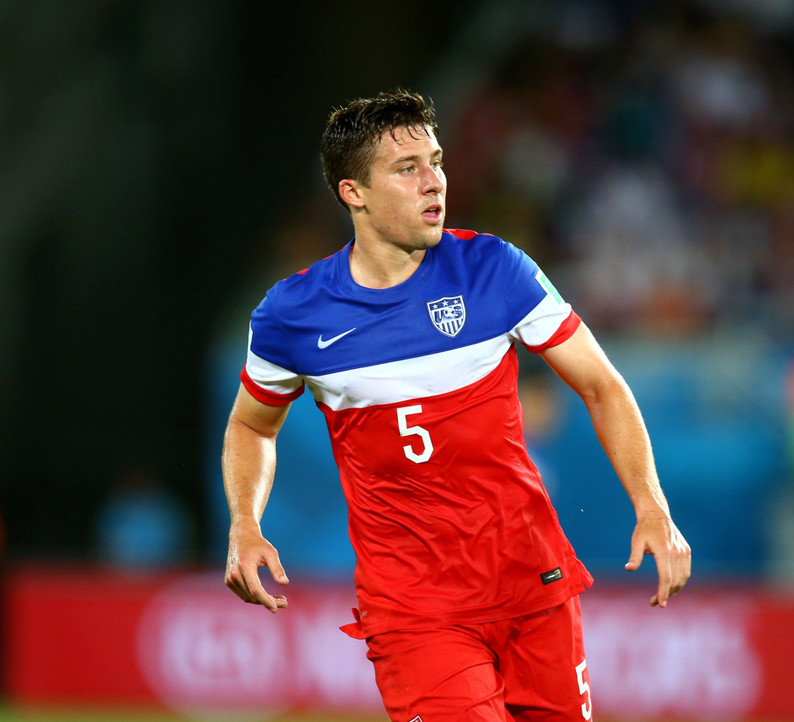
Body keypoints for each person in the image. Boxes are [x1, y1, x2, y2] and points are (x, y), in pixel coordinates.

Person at [223, 89, 690, 721]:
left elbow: (602, 385)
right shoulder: (293, 316)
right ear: (353, 193)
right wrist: (246, 524)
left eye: (436, 161)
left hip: (533, 583)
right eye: (407, 168)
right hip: (416, 610)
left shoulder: (495, 270)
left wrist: (652, 505)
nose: (433, 181)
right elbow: (252, 425)